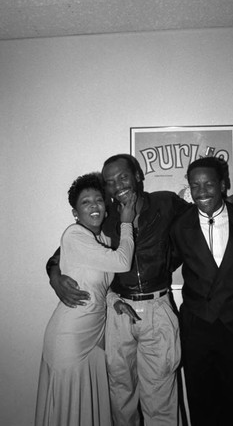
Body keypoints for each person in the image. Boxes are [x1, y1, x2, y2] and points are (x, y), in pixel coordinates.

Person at [46, 154, 233, 426]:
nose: (117, 185)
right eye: (110, 182)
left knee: (161, 399)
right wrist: (54, 272)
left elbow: (206, 208)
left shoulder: (166, 203)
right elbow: (69, 249)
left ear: (137, 176)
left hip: (158, 309)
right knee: (121, 401)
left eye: (123, 176)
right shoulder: (106, 215)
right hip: (119, 312)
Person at [35, 172, 136, 426]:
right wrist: (126, 223)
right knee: (69, 410)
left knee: (89, 408)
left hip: (94, 337)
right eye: (86, 202)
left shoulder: (102, 240)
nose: (94, 206)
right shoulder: (74, 235)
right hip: (69, 337)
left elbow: (99, 286)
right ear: (75, 212)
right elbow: (122, 262)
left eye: (99, 200)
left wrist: (115, 301)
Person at [170, 157, 233, 426]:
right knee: (201, 402)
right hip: (196, 326)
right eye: (195, 185)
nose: (202, 191)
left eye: (209, 184)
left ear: (223, 185)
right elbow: (159, 264)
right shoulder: (178, 225)